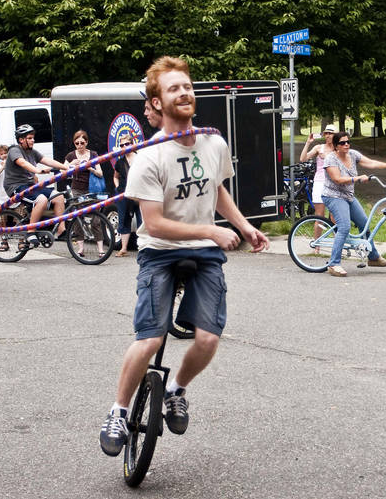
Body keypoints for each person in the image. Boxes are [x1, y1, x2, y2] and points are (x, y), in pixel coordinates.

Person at [99, 55, 269, 457]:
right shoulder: (148, 158)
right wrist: (211, 230)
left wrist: (243, 226)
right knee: (150, 337)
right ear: (157, 102)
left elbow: (217, 191)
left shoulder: (214, 142)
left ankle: (176, 390)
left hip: (204, 253)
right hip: (159, 253)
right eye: (174, 88)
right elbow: (154, 225)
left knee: (208, 338)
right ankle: (118, 411)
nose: (185, 93)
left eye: (188, 86)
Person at [321, 131, 386, 277]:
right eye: (342, 143)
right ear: (335, 146)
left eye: (348, 142)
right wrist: (357, 178)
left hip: (349, 196)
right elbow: (338, 179)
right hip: (333, 196)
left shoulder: (352, 154)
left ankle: (373, 257)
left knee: (364, 223)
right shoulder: (330, 159)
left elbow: (370, 162)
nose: (346, 144)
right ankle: (333, 264)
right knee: (344, 227)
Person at [3, 124, 70, 248]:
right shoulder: (14, 150)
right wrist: (37, 170)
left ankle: (61, 230)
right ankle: (30, 232)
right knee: (42, 200)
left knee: (59, 197)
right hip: (16, 187)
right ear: (21, 140)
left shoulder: (32, 152)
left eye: (33, 138)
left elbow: (47, 160)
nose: (33, 140)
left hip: (30, 185)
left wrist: (66, 167)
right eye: (29, 138)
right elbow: (22, 162)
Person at [64, 130, 106, 256]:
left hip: (92, 189)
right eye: (77, 143)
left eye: (82, 142)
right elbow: (62, 171)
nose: (79, 145)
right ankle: (81, 249)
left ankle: (100, 249)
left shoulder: (93, 154)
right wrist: (71, 165)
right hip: (76, 189)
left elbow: (100, 173)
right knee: (77, 219)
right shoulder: (71, 156)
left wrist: (90, 168)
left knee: (96, 219)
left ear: (86, 142)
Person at [300, 124, 335, 227]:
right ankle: (316, 243)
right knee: (319, 217)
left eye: (331, 133)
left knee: (334, 217)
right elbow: (303, 159)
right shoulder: (319, 147)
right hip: (320, 182)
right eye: (326, 133)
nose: (328, 136)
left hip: (334, 183)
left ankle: (336, 242)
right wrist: (308, 143)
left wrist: (327, 156)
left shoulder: (339, 149)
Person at [112, 133, 142, 257]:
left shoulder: (140, 158)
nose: (124, 147)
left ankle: (144, 248)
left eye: (127, 144)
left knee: (142, 220)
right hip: (124, 194)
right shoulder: (120, 162)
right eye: (122, 145)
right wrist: (118, 188)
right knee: (124, 220)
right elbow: (115, 177)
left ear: (132, 144)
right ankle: (124, 248)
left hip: (140, 193)